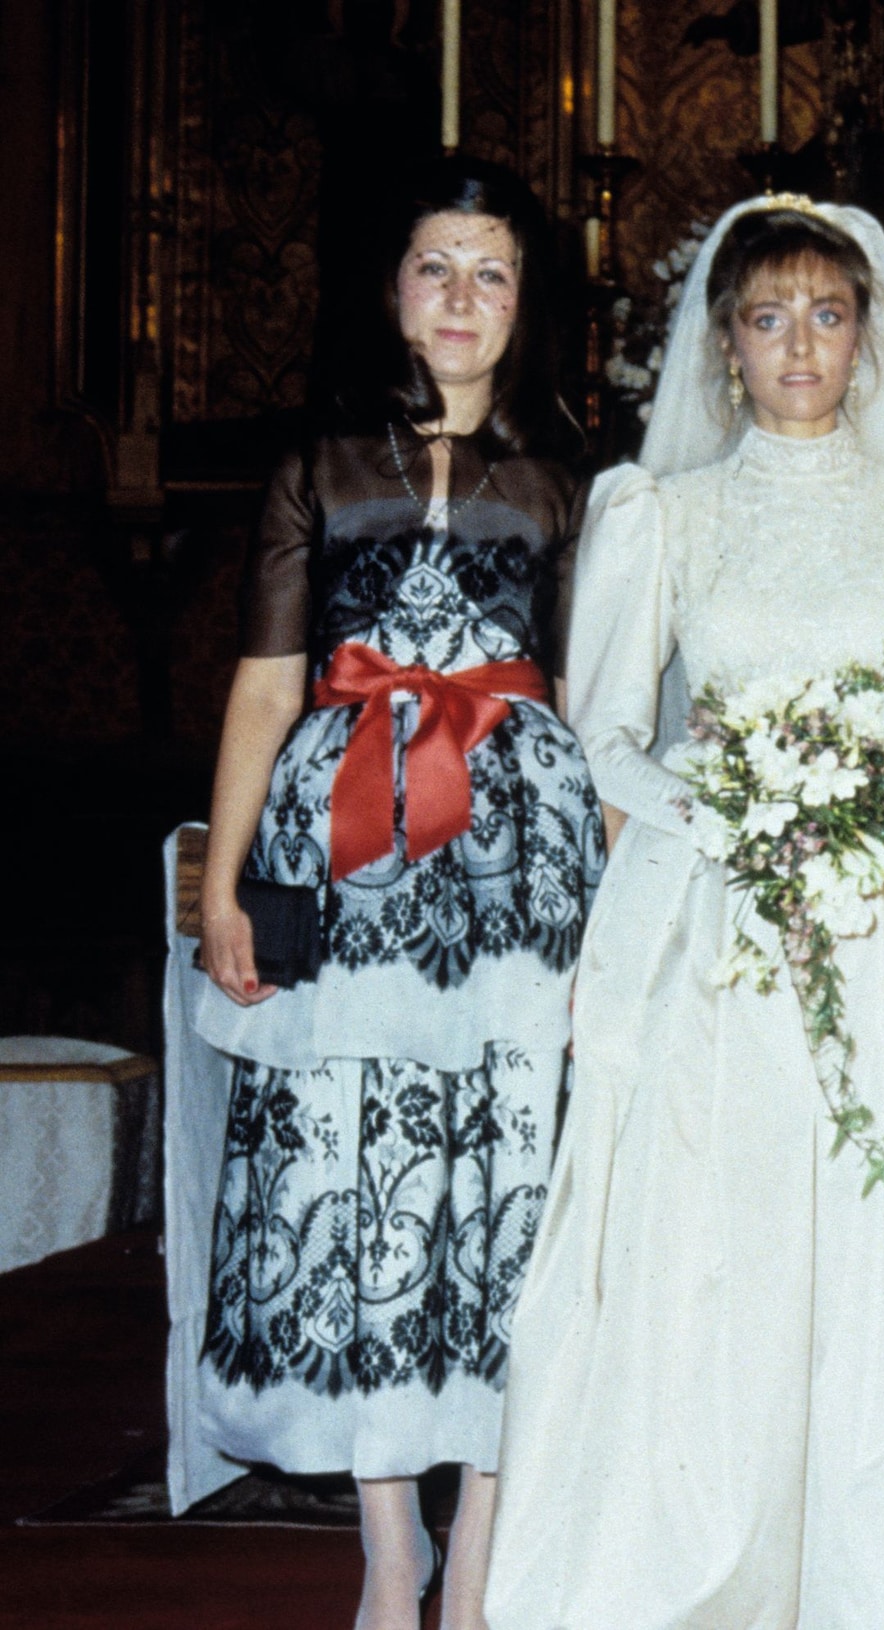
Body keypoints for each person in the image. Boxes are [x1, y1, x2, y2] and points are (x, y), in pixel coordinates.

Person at [483, 197, 884, 1628]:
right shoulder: (665, 513)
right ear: (724, 346)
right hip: (719, 919)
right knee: (727, 1226)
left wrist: (880, 770)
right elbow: (606, 729)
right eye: (769, 318)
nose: (802, 345)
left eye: (829, 315)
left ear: (869, 337)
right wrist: (745, 806)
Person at [191, 157, 602, 1630]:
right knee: (351, 1169)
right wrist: (227, 879)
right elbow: (264, 683)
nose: (462, 298)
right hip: (347, 845)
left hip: (519, 854)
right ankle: (388, 1545)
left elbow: (602, 698)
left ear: (523, 303)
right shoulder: (320, 464)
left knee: (511, 1179)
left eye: (491, 272)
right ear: (393, 290)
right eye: (437, 266)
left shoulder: (569, 477)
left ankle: (481, 1555)